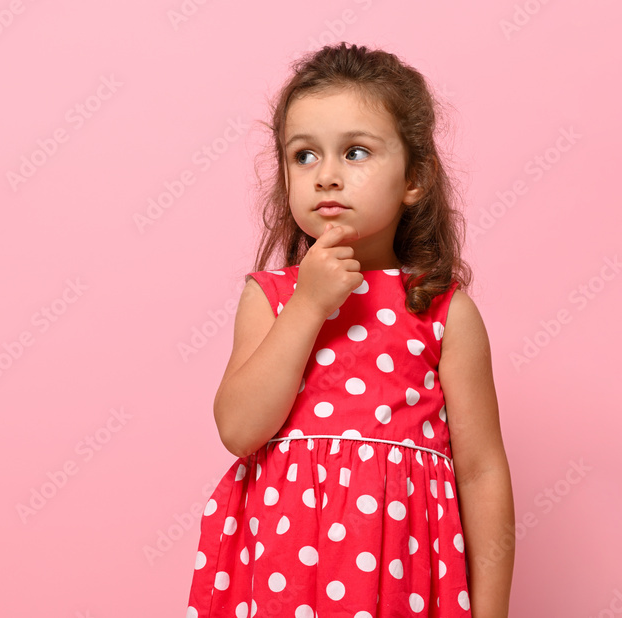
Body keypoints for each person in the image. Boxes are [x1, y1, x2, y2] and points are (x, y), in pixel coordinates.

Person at [184, 42, 514, 617]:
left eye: (355, 152)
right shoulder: (272, 298)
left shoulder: (442, 312)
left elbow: (483, 473)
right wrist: (308, 306)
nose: (327, 176)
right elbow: (239, 430)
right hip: (281, 577)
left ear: (414, 178)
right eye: (304, 156)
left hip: (400, 581)